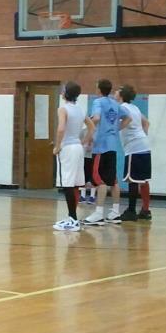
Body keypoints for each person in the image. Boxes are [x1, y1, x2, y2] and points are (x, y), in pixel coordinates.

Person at [53, 81, 95, 232]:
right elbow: (92, 127)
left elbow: (61, 129)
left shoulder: (63, 109)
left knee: (67, 184)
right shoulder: (80, 109)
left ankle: (72, 219)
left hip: (68, 148)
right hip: (78, 148)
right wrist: (83, 141)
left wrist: (57, 146)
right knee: (75, 184)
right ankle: (73, 217)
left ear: (65, 93)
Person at [84, 78, 122, 226]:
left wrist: (88, 128)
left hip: (100, 146)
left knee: (99, 180)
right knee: (113, 180)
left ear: (99, 89)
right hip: (112, 145)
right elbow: (128, 118)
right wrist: (115, 130)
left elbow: (97, 118)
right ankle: (115, 213)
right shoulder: (115, 103)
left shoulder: (98, 102)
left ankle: (98, 214)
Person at [117, 85, 152, 222]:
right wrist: (142, 137)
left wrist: (114, 130)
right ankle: (145, 210)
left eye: (117, 90)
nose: (115, 92)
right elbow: (146, 123)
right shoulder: (135, 108)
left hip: (134, 148)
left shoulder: (122, 107)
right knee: (143, 180)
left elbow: (128, 120)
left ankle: (131, 211)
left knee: (132, 180)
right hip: (144, 146)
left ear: (121, 94)